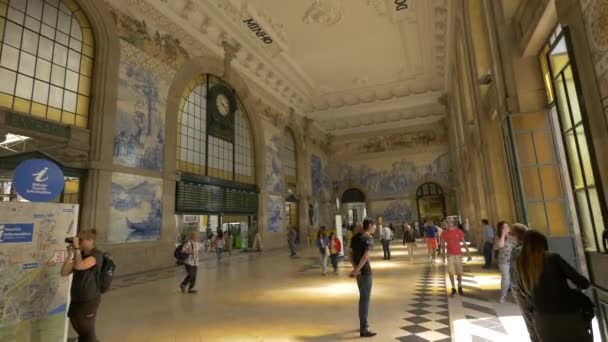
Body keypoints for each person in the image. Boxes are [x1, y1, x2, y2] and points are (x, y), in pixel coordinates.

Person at [515, 231, 593, 342]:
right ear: (543, 244)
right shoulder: (553, 258)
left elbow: (522, 290)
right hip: (568, 315)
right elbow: (583, 282)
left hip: (542, 319)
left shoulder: (520, 263)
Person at [60, 229, 104, 342]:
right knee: (79, 329)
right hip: (77, 298)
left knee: (87, 333)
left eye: (80, 240)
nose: (78, 242)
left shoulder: (96, 255)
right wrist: (70, 254)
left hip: (89, 299)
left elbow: (79, 266)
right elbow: (64, 272)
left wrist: (76, 249)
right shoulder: (81, 254)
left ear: (90, 241)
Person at [508, 224, 537, 341]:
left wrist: (515, 289)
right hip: (535, 287)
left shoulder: (517, 251)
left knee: (529, 321)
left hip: (522, 290)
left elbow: (516, 272)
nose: (509, 236)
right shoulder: (534, 247)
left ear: (516, 236)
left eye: (511, 233)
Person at [349, 218, 377, 338]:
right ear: (370, 225)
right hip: (365, 272)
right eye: (374, 225)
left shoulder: (355, 238)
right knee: (365, 300)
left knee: (362, 298)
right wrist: (357, 269)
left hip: (359, 273)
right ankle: (364, 329)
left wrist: (355, 268)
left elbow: (349, 254)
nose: (375, 227)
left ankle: (362, 324)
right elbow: (365, 256)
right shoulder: (368, 238)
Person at [441, 220, 471, 296]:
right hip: (450, 255)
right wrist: (443, 256)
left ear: (452, 224)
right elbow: (443, 245)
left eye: (449, 223)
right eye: (446, 223)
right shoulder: (444, 233)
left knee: (459, 272)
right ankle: (453, 288)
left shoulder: (458, 231)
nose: (447, 224)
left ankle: (459, 286)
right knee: (451, 272)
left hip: (458, 254)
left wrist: (468, 254)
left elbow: (464, 242)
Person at [495, 221, 517, 303]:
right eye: (504, 227)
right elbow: (500, 246)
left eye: (507, 226)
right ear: (500, 229)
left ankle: (515, 297)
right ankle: (503, 296)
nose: (506, 228)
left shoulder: (513, 236)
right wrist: (503, 235)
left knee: (515, 279)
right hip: (503, 261)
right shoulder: (498, 237)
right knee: (506, 279)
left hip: (514, 260)